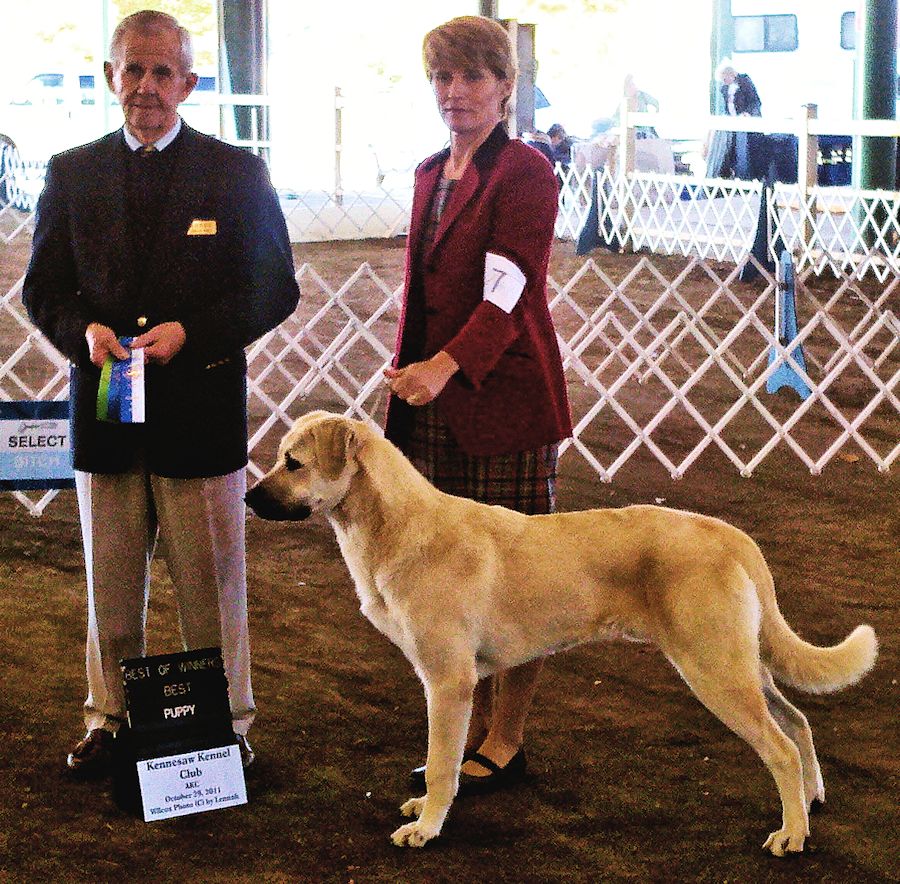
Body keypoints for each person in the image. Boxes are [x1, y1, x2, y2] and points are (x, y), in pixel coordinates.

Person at [22, 10, 300, 776]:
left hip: (199, 419)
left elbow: (275, 286)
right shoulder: (69, 171)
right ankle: (108, 720)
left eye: (162, 71)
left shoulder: (236, 171)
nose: (146, 86)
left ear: (190, 82)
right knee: (110, 589)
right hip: (106, 416)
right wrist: (82, 332)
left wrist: (194, 334)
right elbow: (41, 288)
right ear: (110, 75)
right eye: (131, 69)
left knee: (211, 592)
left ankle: (227, 730)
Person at [383, 15, 572, 796]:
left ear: (504, 86)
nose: (454, 92)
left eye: (470, 77)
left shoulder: (524, 173)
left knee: (517, 580)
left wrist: (446, 365)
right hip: (427, 400)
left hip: (502, 399)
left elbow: (511, 286)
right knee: (443, 580)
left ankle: (506, 738)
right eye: (442, 77)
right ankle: (455, 724)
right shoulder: (432, 170)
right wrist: (414, 369)